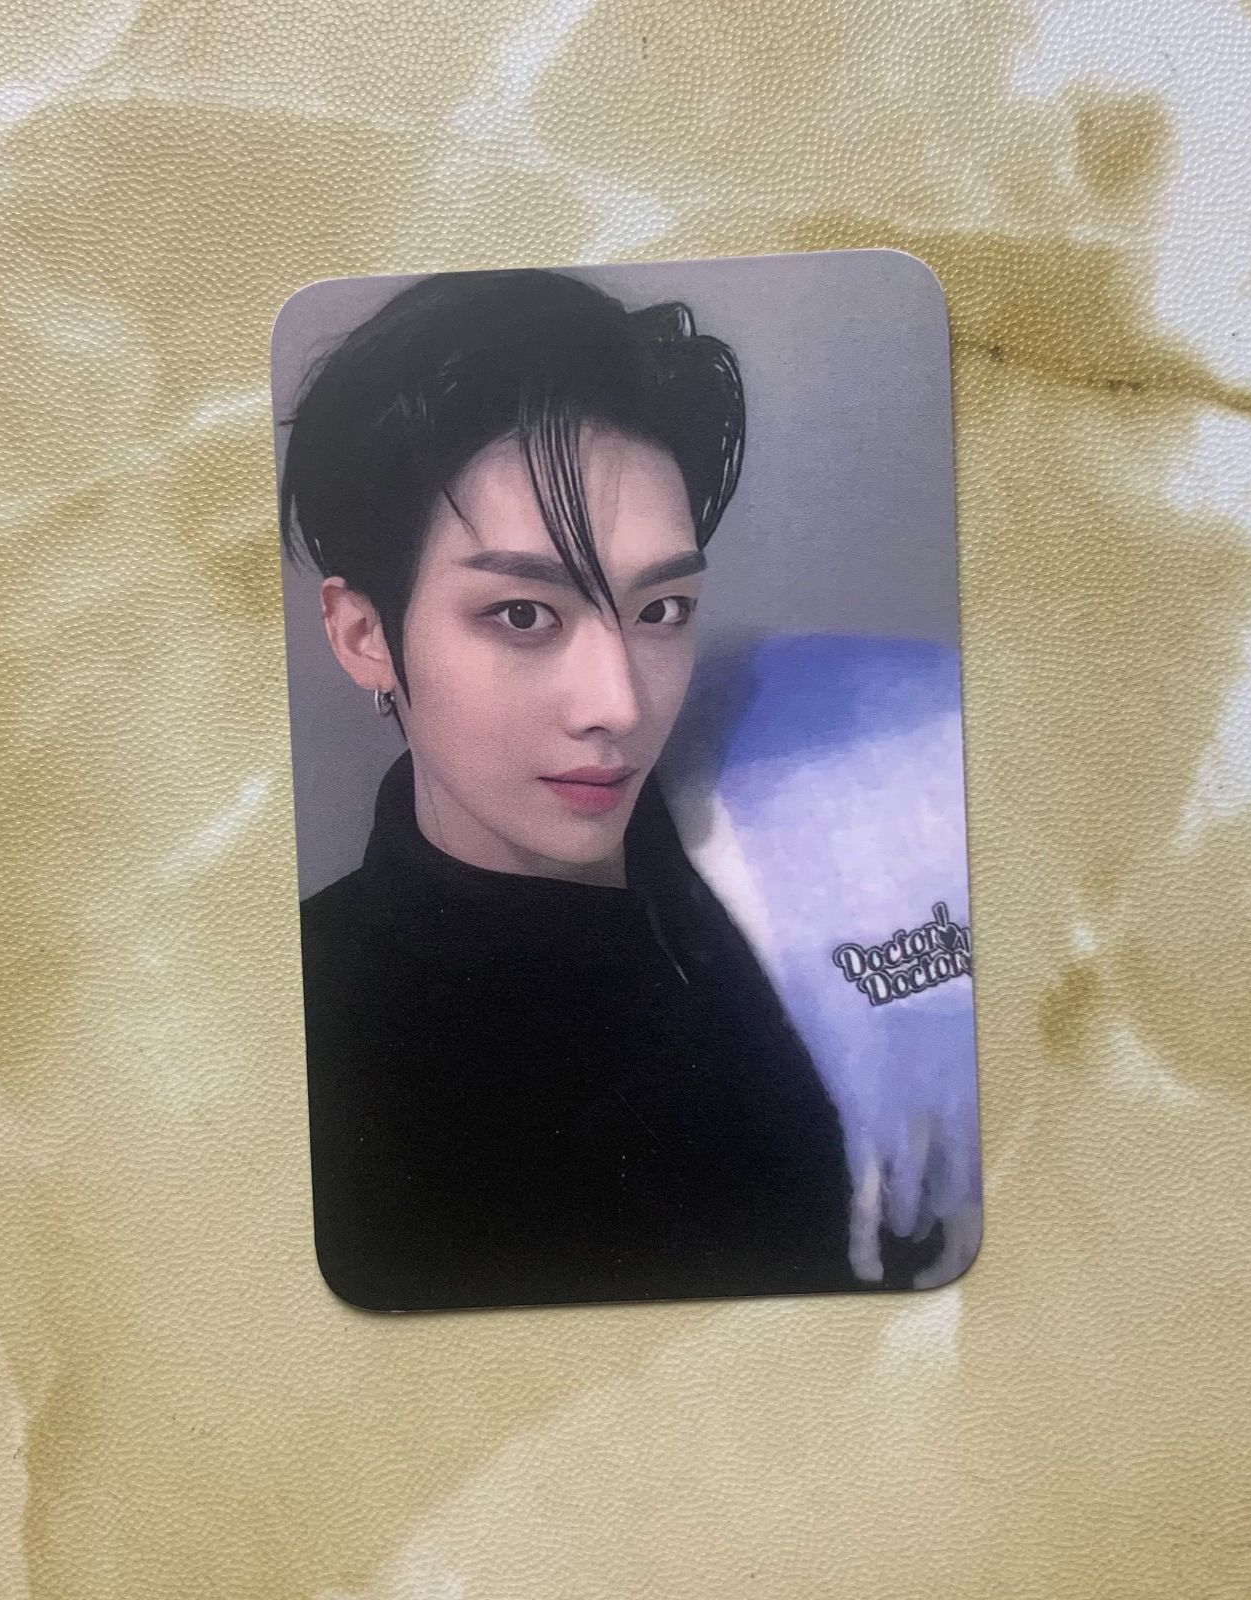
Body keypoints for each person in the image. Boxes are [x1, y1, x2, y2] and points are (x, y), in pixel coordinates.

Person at [280, 268, 932, 1311]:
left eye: (661, 609)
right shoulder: (315, 1047)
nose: (619, 703)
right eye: (523, 615)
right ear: (365, 635)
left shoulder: (804, 842)